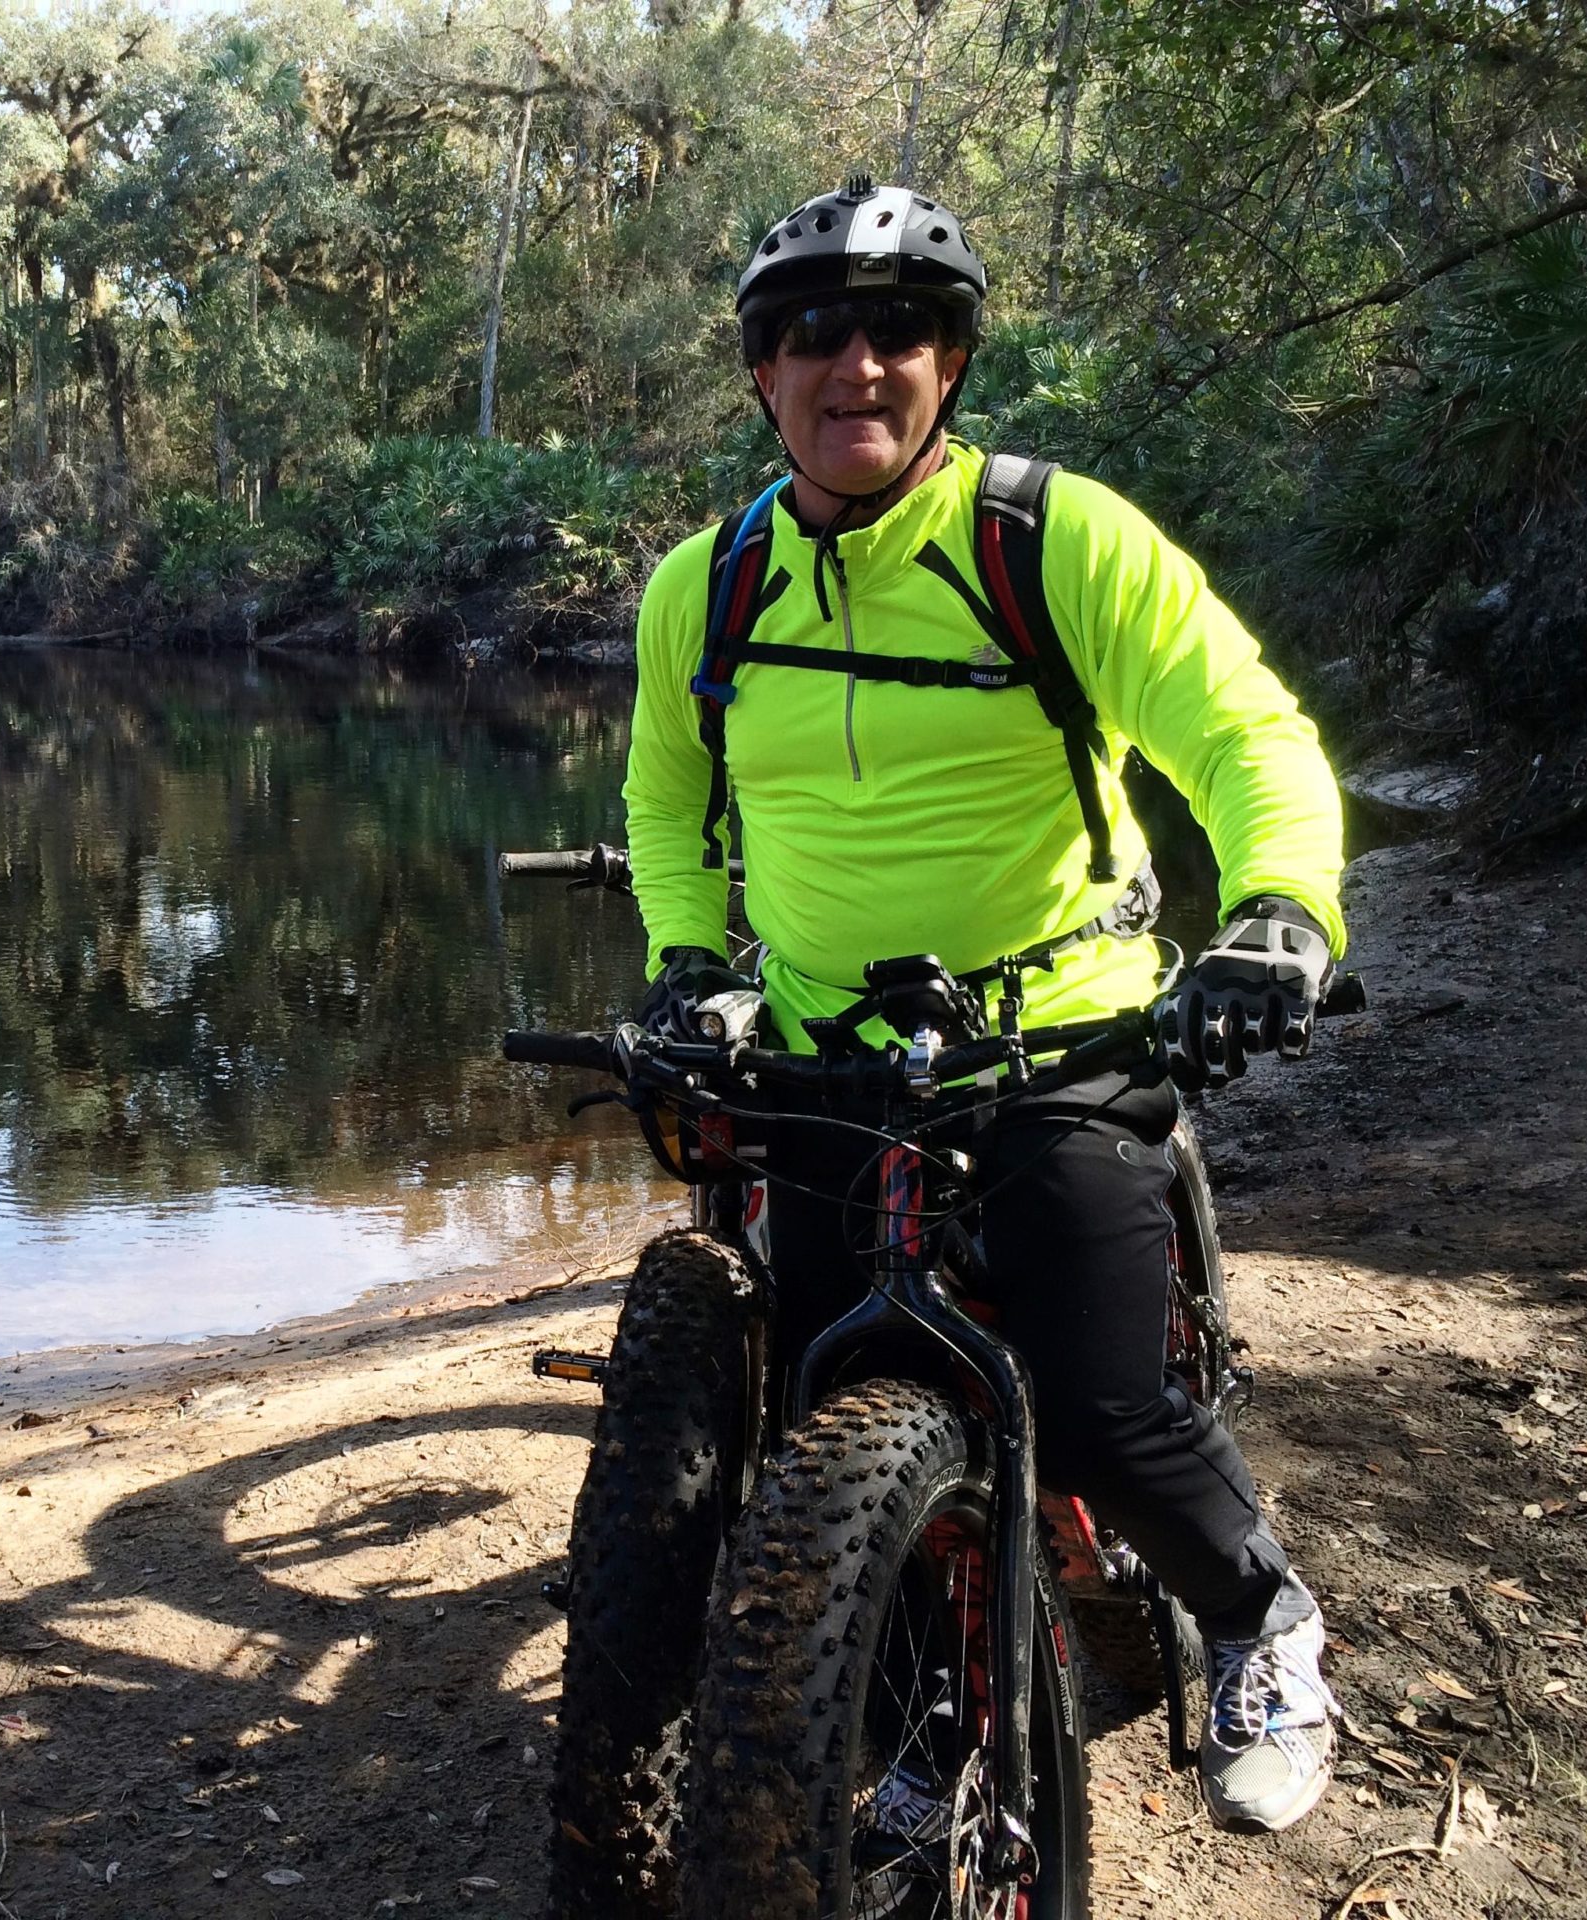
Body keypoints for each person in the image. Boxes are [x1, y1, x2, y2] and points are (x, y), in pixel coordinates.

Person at [620, 175, 1344, 1833]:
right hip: (816, 1050)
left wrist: (1280, 914)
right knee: (813, 1405)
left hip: (1061, 1032)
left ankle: (1260, 1620)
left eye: (898, 331)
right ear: (761, 371)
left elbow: (1244, 735)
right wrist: (687, 960)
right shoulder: (704, 588)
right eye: (814, 332)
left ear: (948, 366)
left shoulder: (1050, 540)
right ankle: (904, 1694)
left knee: (1097, 1406)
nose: (853, 364)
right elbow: (672, 805)